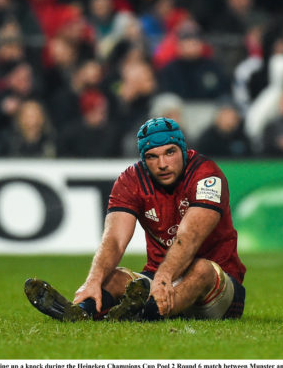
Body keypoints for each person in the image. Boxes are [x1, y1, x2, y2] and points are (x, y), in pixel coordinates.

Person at [25, 117, 246, 322]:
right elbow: (114, 239)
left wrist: (163, 278)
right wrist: (93, 281)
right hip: (159, 278)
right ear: (143, 158)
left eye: (170, 152)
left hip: (216, 286)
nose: (162, 164)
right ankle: (82, 312)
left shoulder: (207, 175)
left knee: (201, 269)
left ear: (183, 150)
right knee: (114, 277)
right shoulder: (130, 180)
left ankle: (144, 312)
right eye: (152, 156)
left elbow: (190, 237)